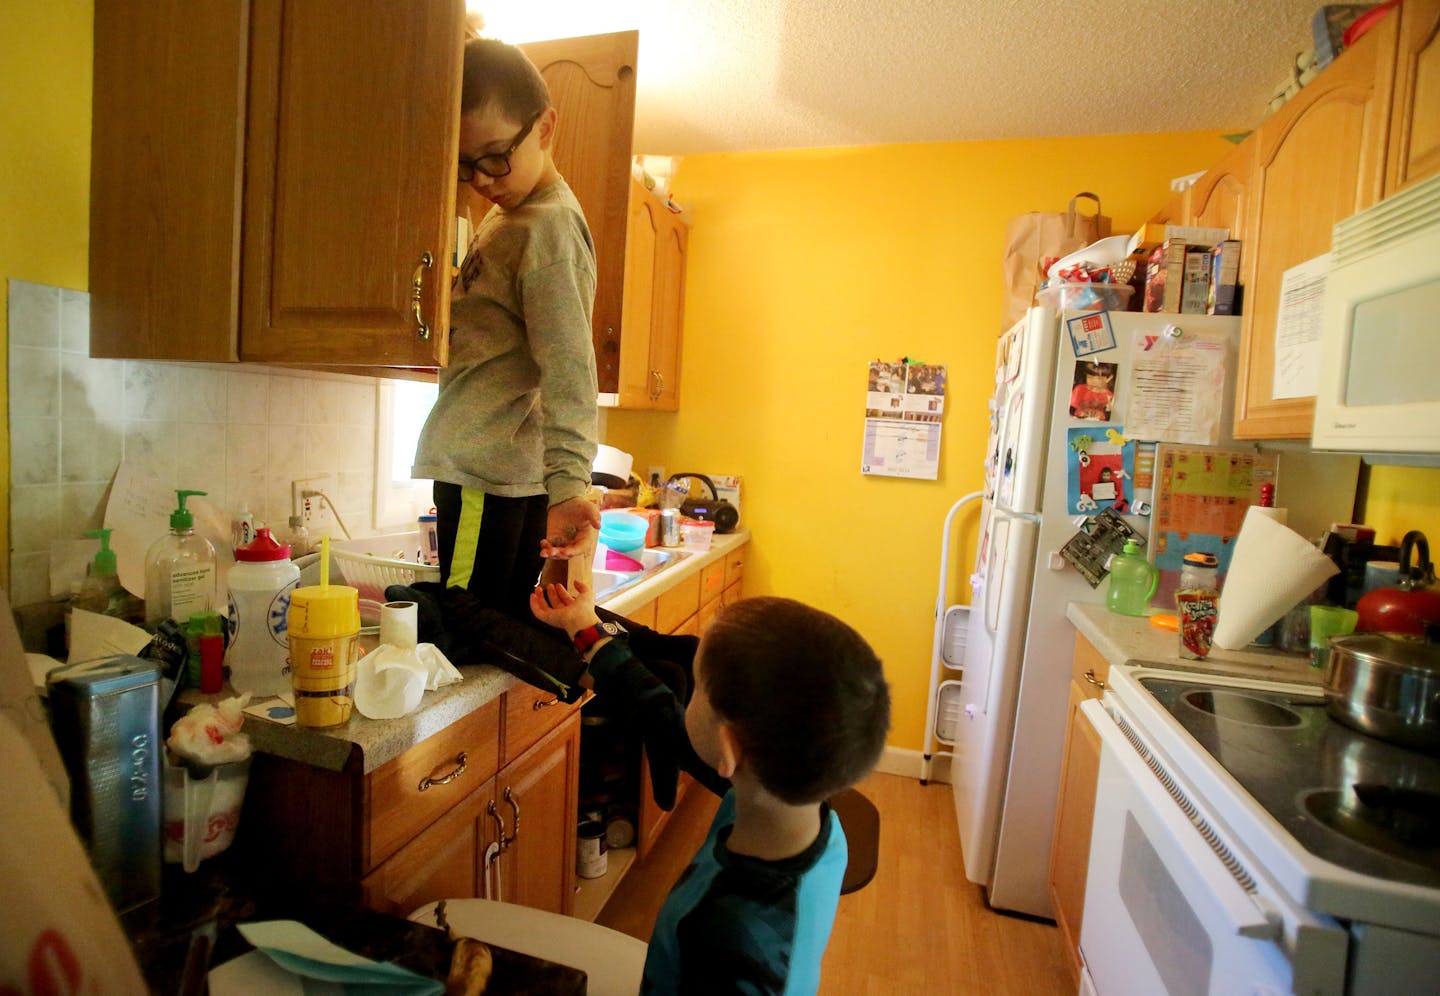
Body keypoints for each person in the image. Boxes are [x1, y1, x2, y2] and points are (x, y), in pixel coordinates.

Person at [531, 581, 892, 995]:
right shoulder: (799, 815)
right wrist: (586, 629)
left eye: (699, 686)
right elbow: (663, 716)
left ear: (728, 747)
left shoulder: (729, 938)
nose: (689, 694)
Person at [412, 37, 601, 621]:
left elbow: (570, 366)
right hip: (505, 470)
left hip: (483, 467)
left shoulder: (543, 228)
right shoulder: (515, 213)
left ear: (544, 128)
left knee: (466, 624)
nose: (483, 179)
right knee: (506, 624)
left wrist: (571, 484)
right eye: (466, 164)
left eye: (496, 156)